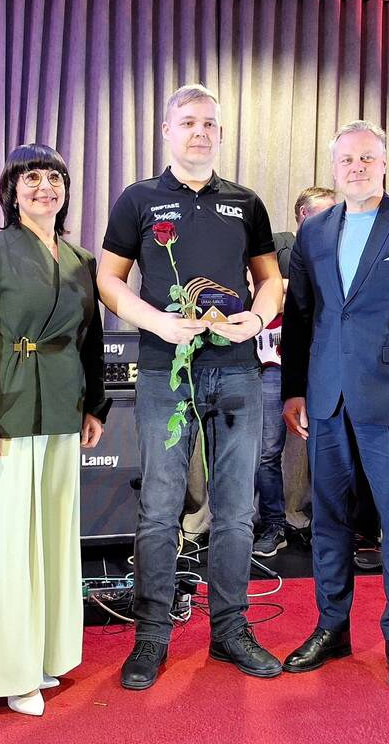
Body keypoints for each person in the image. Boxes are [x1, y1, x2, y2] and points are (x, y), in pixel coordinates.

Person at [97, 84, 284, 690]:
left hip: (236, 371)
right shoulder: (139, 199)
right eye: (187, 122)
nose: (199, 132)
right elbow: (108, 279)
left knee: (235, 509)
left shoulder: (246, 203)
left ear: (221, 134)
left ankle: (230, 630)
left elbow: (270, 281)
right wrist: (156, 322)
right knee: (160, 507)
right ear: (167, 131)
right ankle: (151, 635)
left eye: (208, 123)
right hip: (163, 371)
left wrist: (256, 320)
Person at [281, 120, 389, 692]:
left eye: (366, 158)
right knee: (328, 522)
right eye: (346, 160)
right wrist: (294, 390)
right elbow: (301, 319)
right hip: (326, 400)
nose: (356, 167)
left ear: (383, 163)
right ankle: (332, 628)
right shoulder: (314, 231)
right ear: (334, 168)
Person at [0, 143, 109, 717]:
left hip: (63, 410)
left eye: (55, 178)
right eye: (32, 177)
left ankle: (43, 653)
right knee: (5, 544)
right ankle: (6, 671)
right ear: (11, 190)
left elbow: (90, 338)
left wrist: (95, 406)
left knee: (53, 540)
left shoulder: (81, 258)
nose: (46, 187)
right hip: (6, 413)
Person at [252, 186, 338, 558]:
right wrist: (288, 289)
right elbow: (256, 290)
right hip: (274, 364)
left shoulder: (340, 252)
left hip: (323, 365)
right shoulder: (277, 245)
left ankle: (326, 527)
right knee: (267, 450)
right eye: (326, 212)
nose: (334, 219)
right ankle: (274, 525)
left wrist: (289, 292)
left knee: (329, 449)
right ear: (303, 214)